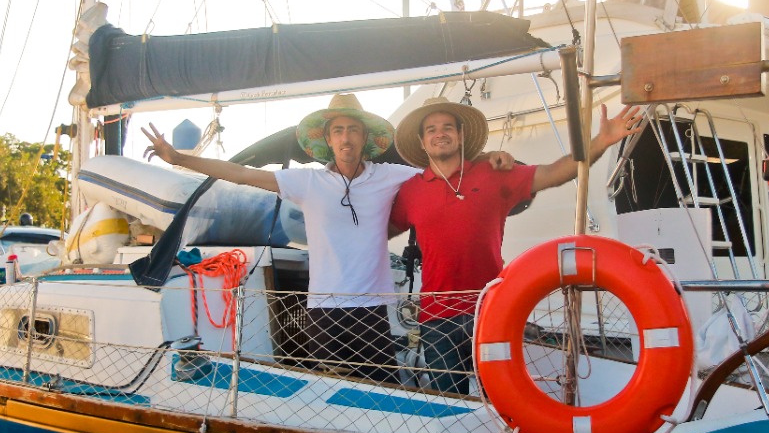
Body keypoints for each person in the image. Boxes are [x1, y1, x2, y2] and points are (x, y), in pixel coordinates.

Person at [141, 93, 514, 384]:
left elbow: (444, 163)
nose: (346, 137)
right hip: (322, 311)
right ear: (327, 140)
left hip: (372, 310)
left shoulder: (391, 175)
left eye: (353, 130)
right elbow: (240, 174)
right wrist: (180, 159)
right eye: (338, 131)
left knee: (382, 392)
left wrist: (493, 158)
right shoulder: (308, 181)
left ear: (366, 138)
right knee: (328, 389)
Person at [388, 97, 643, 394]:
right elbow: (379, 233)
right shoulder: (410, 191)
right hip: (435, 317)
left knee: (501, 397)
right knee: (450, 405)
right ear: (421, 141)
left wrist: (602, 140)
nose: (439, 133)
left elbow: (554, 172)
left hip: (491, 310)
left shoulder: (494, 173)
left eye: (447, 127)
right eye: (431, 129)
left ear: (460, 135)